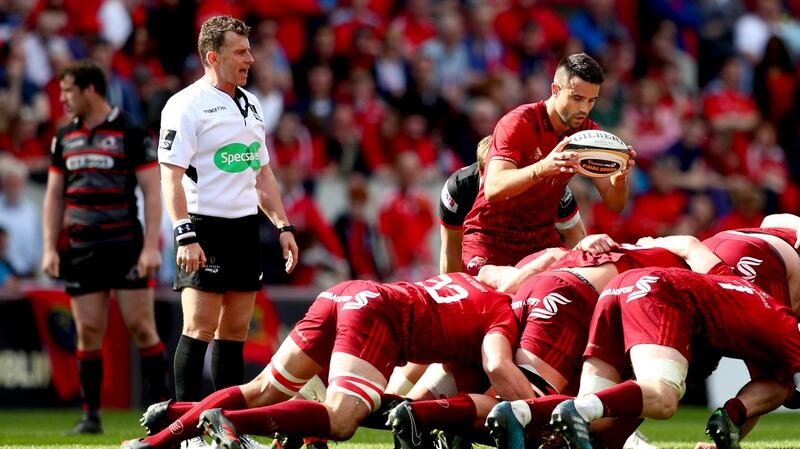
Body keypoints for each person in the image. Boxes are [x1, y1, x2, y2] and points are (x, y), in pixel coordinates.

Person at [121, 272, 533, 449]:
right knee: (340, 419)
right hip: (378, 316)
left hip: (343, 293)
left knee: (260, 389)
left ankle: (162, 434)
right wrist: (537, 408)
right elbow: (497, 366)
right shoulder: (505, 313)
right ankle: (227, 422)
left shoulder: (466, 282)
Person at [488, 235, 800, 449]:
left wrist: (647, 243)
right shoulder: (787, 331)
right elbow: (781, 384)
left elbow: (690, 244)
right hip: (653, 290)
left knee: (600, 421)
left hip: (615, 289)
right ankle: (573, 411)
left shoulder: (733, 284)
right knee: (663, 399)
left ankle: (521, 412)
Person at [389, 234, 689, 449]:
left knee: (481, 388)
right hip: (565, 298)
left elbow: (492, 275)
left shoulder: (557, 255)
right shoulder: (673, 267)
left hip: (509, 302)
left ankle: (418, 412)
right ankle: (423, 414)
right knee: (532, 410)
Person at [157, 15, 298, 448]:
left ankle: (226, 429)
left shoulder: (251, 104)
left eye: (250, 51)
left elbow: (264, 174)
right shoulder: (184, 105)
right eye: (241, 52)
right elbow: (170, 175)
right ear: (212, 57)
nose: (250, 59)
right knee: (198, 327)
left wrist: (283, 225)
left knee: (235, 332)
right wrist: (185, 234)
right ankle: (185, 433)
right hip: (203, 227)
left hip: (243, 229)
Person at [41, 59, 169, 435]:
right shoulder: (63, 137)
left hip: (125, 245)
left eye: (68, 91)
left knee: (142, 328)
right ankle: (90, 416)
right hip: (82, 248)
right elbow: (53, 197)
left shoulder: (130, 131)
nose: (63, 99)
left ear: (89, 90)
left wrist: (150, 247)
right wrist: (50, 247)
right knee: (88, 331)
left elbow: (151, 191)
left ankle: (163, 416)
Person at [461, 52, 635, 274]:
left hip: (540, 242)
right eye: (577, 98)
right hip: (490, 239)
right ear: (555, 90)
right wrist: (543, 168)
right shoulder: (518, 122)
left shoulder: (588, 132)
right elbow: (494, 189)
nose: (584, 109)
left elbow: (615, 204)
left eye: (591, 101)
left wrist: (619, 180)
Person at [439, 135, 586, 274]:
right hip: (486, 245)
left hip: (533, 243)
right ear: (481, 170)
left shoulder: (549, 184)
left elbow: (576, 235)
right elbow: (451, 248)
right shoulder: (459, 187)